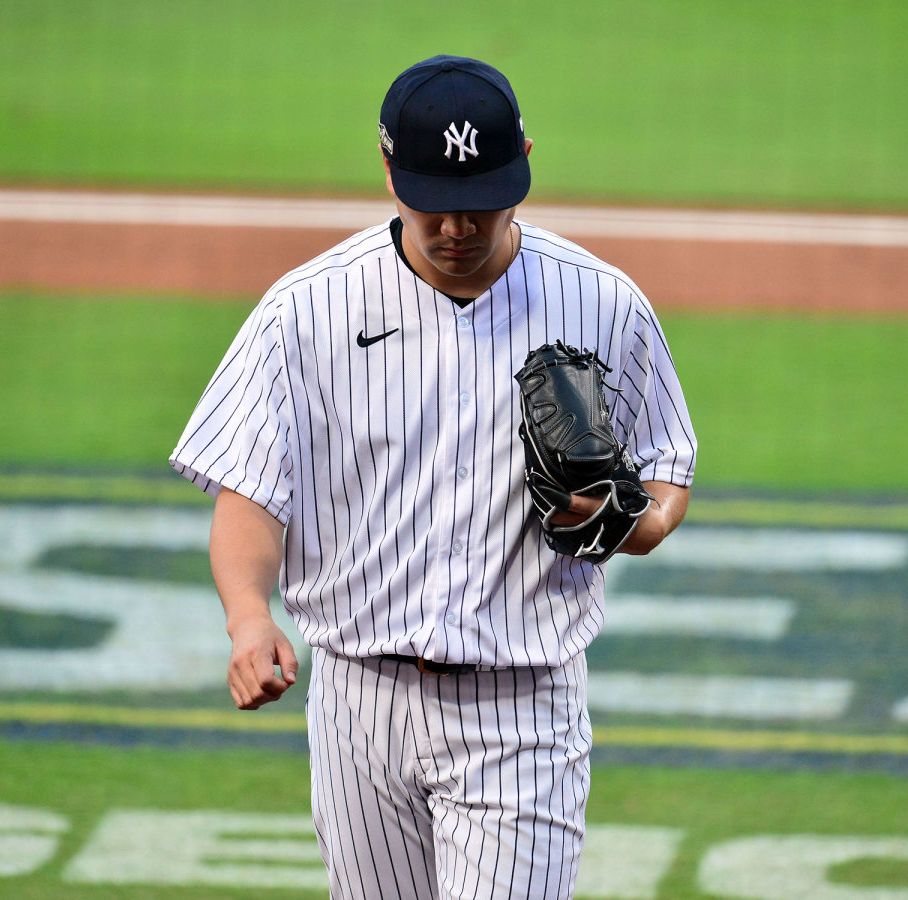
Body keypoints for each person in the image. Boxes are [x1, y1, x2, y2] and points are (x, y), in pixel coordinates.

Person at [170, 54, 697, 900]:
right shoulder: (306, 312)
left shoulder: (602, 302)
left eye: (483, 202)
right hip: (357, 700)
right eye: (435, 203)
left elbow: (669, 467)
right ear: (387, 169)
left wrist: (634, 521)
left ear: (524, 158)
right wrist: (246, 619)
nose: (460, 226)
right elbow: (252, 495)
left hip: (520, 706)